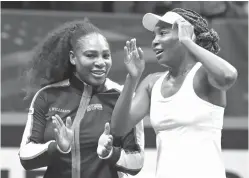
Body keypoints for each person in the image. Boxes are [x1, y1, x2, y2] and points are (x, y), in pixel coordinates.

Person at [103, 8, 238, 178]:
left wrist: (188, 42)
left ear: (187, 34)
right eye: (154, 35)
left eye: (163, 33)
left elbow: (229, 76)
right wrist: (132, 77)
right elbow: (118, 128)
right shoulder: (152, 83)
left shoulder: (204, 74)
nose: (154, 41)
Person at [18, 20, 144, 178]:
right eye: (91, 55)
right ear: (73, 58)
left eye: (106, 56)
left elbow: (137, 161)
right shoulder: (47, 96)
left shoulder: (123, 97)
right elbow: (25, 156)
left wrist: (110, 153)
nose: (101, 63)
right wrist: (57, 147)